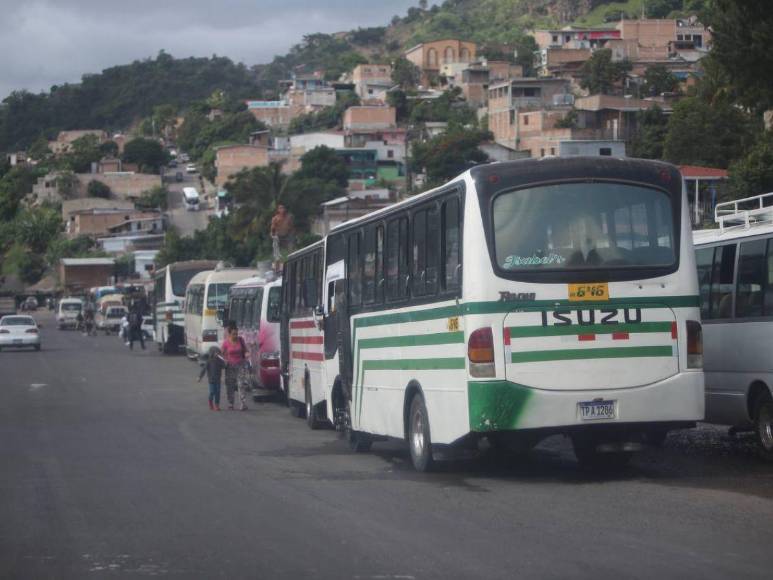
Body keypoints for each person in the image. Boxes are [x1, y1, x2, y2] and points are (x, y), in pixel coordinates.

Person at [221, 322, 248, 411]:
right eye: (233, 334)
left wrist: (247, 354)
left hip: (240, 365)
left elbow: (246, 350)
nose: (235, 335)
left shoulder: (241, 340)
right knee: (230, 385)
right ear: (229, 334)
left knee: (241, 384)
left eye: (236, 333)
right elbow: (221, 353)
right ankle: (230, 403)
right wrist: (224, 360)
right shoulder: (226, 343)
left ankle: (243, 403)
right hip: (230, 366)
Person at [198, 346, 225, 411]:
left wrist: (225, 362)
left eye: (218, 353)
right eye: (216, 352)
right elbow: (204, 369)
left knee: (218, 392)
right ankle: (210, 402)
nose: (217, 354)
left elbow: (224, 367)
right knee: (212, 392)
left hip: (218, 379)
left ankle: (217, 405)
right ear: (212, 353)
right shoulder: (209, 361)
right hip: (211, 380)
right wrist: (200, 377)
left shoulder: (220, 361)